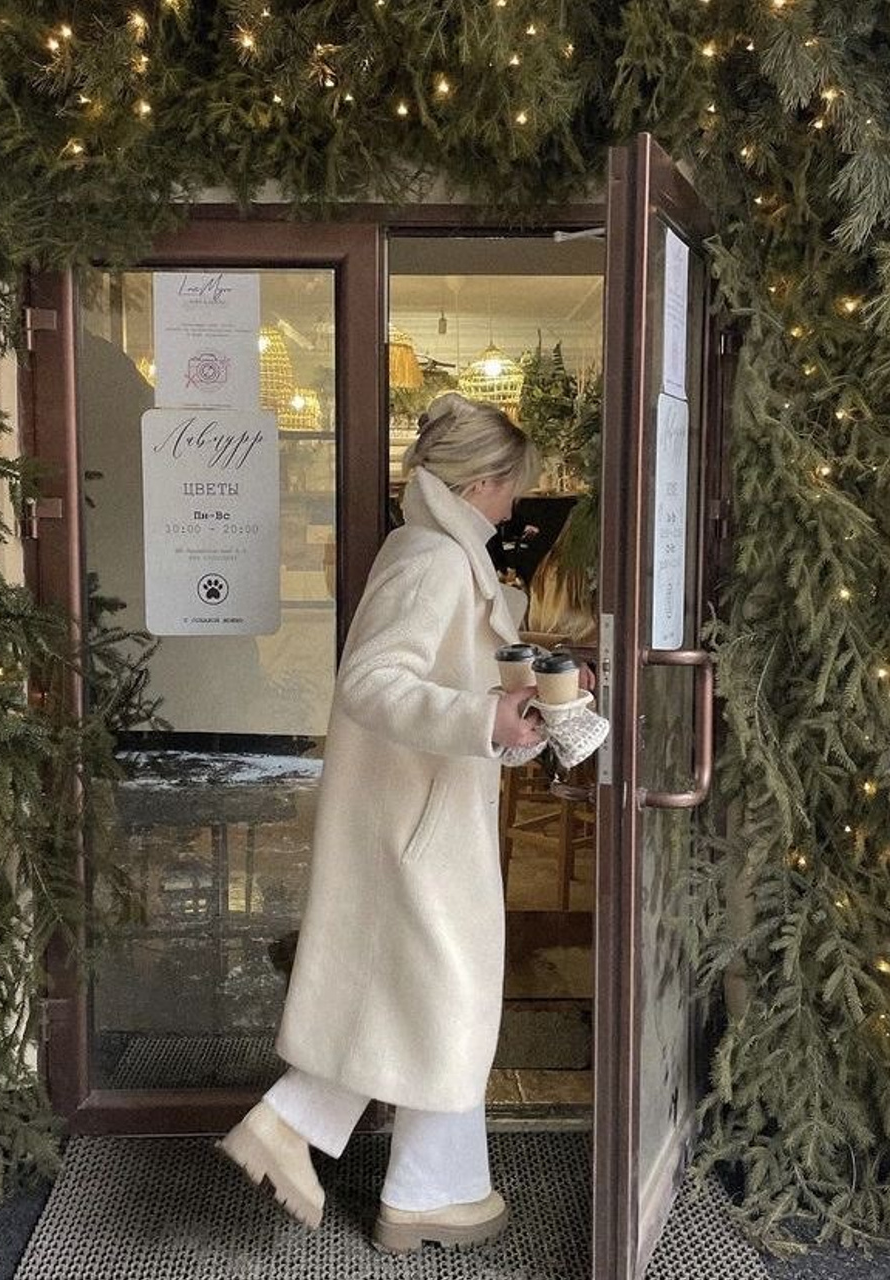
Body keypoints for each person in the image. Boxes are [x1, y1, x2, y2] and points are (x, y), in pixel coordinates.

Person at [217, 392, 591, 1253]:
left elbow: (441, 686)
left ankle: (426, 1185)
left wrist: (515, 711)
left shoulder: (443, 553)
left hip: (429, 812)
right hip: (414, 823)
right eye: (512, 490)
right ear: (486, 482)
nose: (515, 506)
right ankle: (333, 1145)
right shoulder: (430, 557)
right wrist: (485, 720)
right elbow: (371, 684)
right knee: (444, 998)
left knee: (431, 1001)